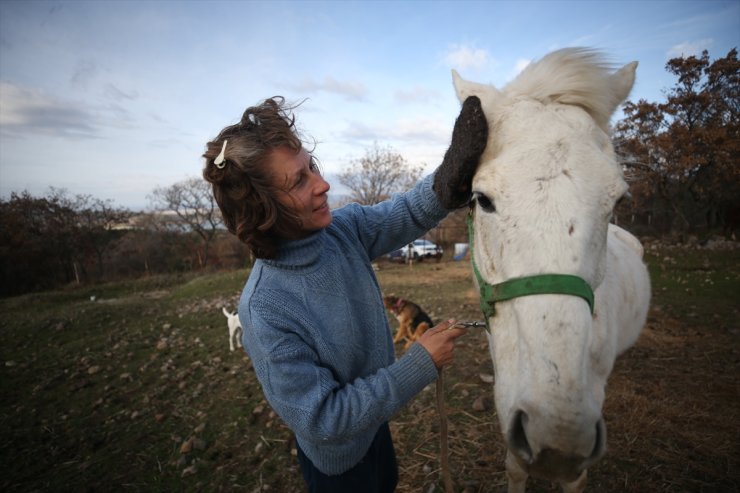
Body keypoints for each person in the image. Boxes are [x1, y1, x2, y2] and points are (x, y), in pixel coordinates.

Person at [202, 95, 488, 492]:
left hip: (375, 428)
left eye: (311, 167)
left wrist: (451, 176)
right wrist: (419, 362)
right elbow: (325, 420)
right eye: (299, 180)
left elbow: (407, 212)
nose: (323, 185)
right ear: (262, 208)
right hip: (337, 465)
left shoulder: (342, 229)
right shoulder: (265, 308)